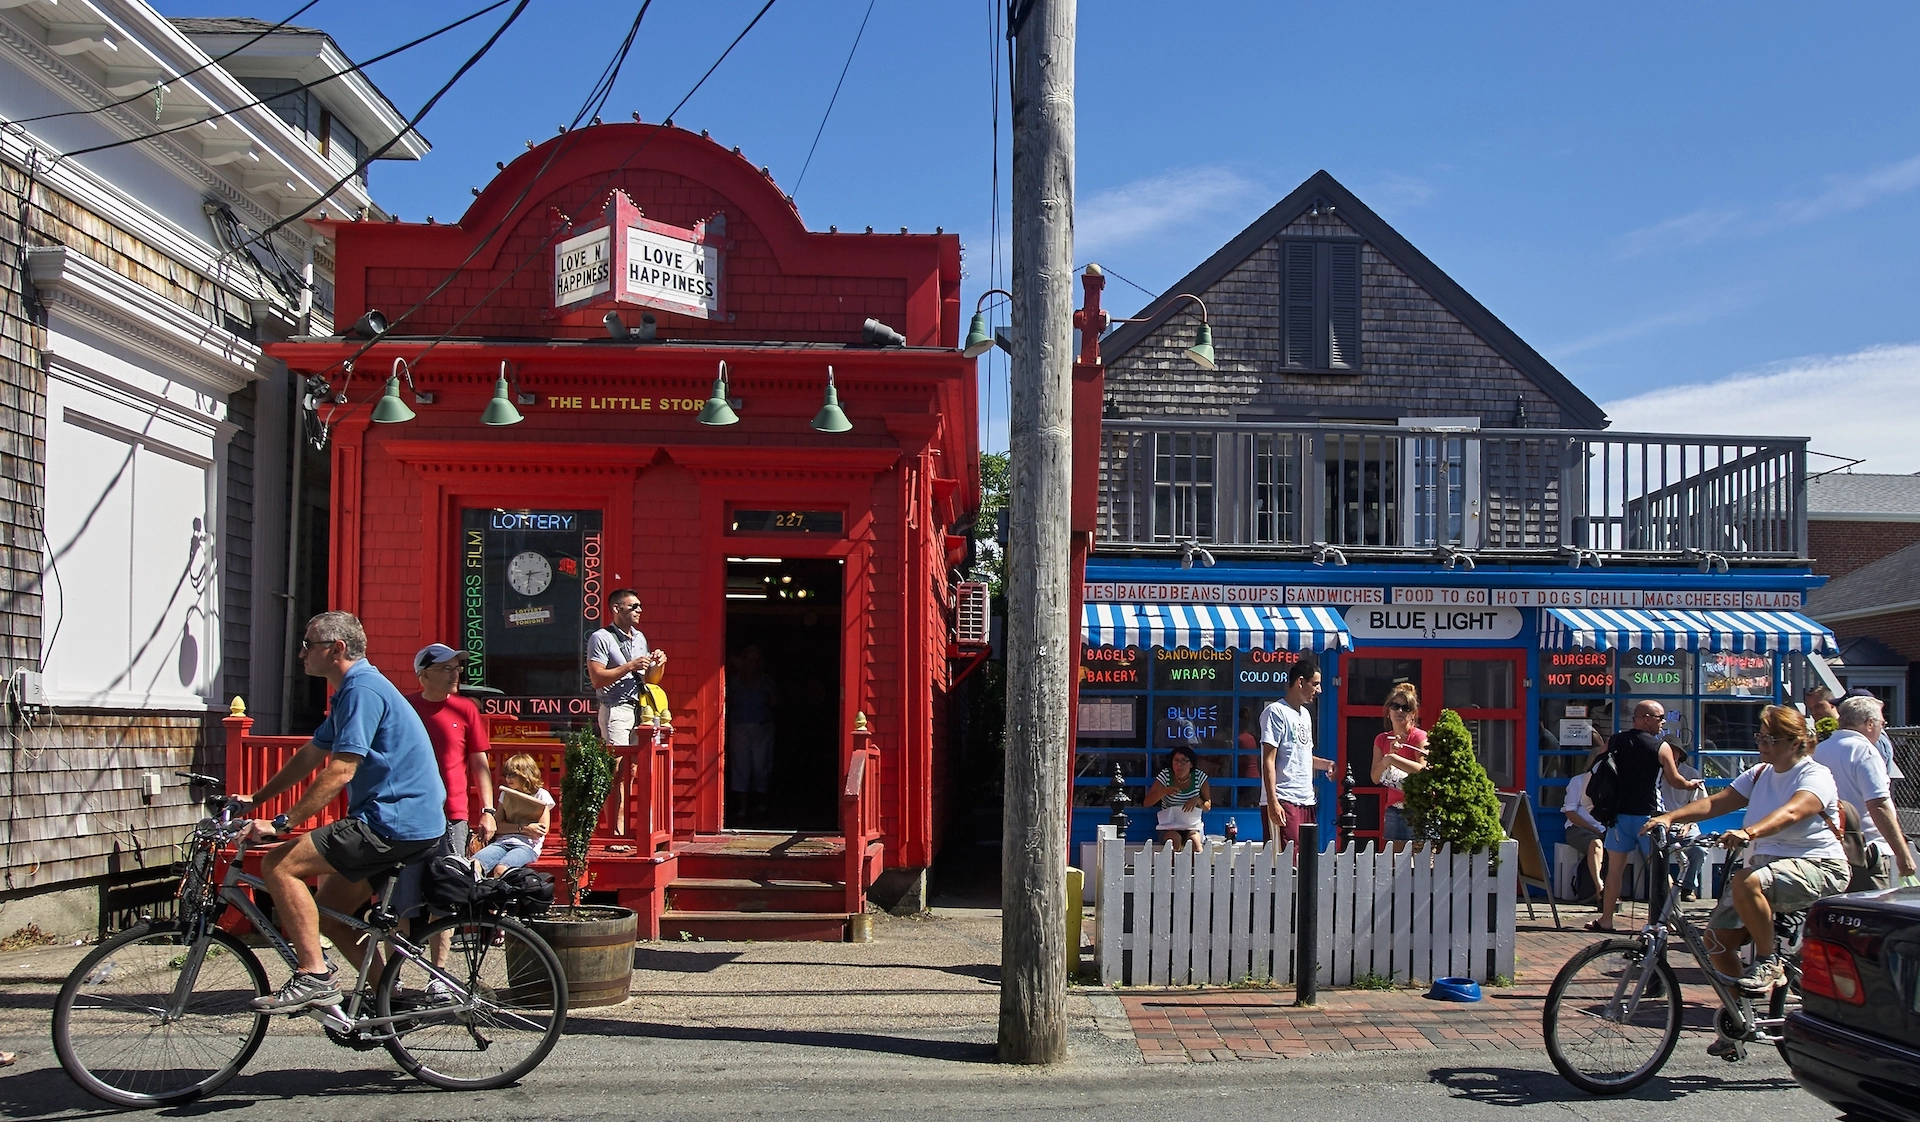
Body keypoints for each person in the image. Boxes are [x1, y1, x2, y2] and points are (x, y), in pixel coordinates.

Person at [237, 612, 447, 1012]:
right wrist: (256, 799)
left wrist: (282, 823)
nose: (301, 654)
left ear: (336, 649)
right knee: (332, 915)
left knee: (279, 865)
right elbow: (311, 755)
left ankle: (314, 975)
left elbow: (341, 770)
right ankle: (389, 1002)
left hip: (391, 821)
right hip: (406, 822)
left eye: (308, 645)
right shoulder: (353, 689)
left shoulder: (362, 690)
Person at [1645, 704, 1849, 1002]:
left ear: (1796, 743)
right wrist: (1670, 817)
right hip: (1763, 870)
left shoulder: (1815, 775)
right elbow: (1717, 802)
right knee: (1716, 941)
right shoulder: (1760, 773)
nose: (1762, 744)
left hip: (1818, 865)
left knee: (1746, 881)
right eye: (1760, 737)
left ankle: (1768, 961)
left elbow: (1793, 811)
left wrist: (1748, 832)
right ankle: (1739, 1013)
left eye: (1771, 739)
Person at [1589, 700, 1703, 932]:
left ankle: (1606, 919)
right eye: (1660, 718)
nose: (1663, 723)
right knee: (1660, 871)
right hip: (1650, 817)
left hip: (1619, 815)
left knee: (1614, 871)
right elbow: (1674, 780)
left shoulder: (1615, 741)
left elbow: (1597, 764)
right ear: (1646, 718)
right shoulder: (1661, 747)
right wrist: (1690, 785)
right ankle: (1671, 919)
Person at [1815, 693, 1917, 890]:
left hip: (1829, 849)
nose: (1881, 729)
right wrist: (1903, 854)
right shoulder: (1865, 752)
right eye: (1882, 724)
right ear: (1869, 723)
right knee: (1871, 908)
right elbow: (1878, 806)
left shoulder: (1819, 751)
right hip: (1866, 852)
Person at [405, 644, 494, 859]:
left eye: (457, 668)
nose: (455, 674)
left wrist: (488, 811)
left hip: (453, 813)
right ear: (424, 675)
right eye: (446, 668)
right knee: (408, 879)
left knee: (450, 876)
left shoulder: (466, 709)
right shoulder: (404, 708)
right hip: (410, 812)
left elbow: (479, 764)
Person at [1259, 654, 1335, 849]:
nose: (1319, 690)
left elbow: (1302, 756)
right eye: (1315, 684)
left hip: (1306, 799)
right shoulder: (1275, 712)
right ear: (1300, 682)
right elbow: (1268, 759)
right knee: (1285, 859)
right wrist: (1273, 802)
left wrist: (1327, 764)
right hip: (1283, 798)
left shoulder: (1305, 715)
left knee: (1305, 859)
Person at [587, 589, 666, 747]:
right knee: (618, 759)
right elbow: (597, 679)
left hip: (641, 708)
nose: (639, 610)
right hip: (616, 708)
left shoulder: (639, 638)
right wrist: (630, 666)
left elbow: (651, 679)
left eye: (640, 606)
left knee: (638, 760)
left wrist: (659, 664)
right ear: (617, 608)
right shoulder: (601, 637)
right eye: (634, 606)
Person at [472, 754, 554, 877]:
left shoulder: (541, 795)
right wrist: (524, 828)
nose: (508, 778)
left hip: (526, 846)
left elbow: (540, 831)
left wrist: (511, 828)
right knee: (473, 865)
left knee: (501, 870)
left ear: (525, 774)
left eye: (512, 774)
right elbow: (497, 826)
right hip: (502, 842)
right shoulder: (505, 794)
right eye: (506, 775)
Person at [1370, 682, 1428, 851]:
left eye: (1405, 708)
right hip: (1395, 808)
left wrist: (1394, 759)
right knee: (1395, 860)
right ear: (1388, 712)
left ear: (1413, 714)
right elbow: (1374, 777)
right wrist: (1388, 757)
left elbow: (1423, 770)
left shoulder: (1419, 737)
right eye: (1395, 706)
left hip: (1419, 808)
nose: (1399, 711)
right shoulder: (1381, 739)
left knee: (1421, 860)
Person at [726, 645, 779, 820]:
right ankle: (742, 808)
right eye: (749, 659)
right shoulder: (734, 681)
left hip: (762, 727)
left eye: (756, 660)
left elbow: (776, 702)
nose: (752, 664)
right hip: (739, 726)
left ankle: (761, 805)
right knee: (740, 766)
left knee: (761, 766)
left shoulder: (766, 680)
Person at [1659, 743, 1710, 901]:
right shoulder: (1654, 773)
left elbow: (1701, 805)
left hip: (1685, 823)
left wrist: (1688, 824)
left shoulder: (1691, 773)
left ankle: (1688, 887)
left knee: (1699, 848)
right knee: (1652, 848)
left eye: (1673, 751)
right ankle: (1664, 888)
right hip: (1660, 823)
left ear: (1679, 754)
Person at [1559, 756, 1606, 905]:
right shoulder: (1578, 781)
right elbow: (1570, 812)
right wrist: (1594, 830)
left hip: (1606, 828)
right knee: (1595, 843)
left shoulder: (1612, 782)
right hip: (1579, 828)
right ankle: (1599, 890)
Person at [1144, 745, 1210, 849]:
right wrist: (1164, 791)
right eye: (1176, 761)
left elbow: (1207, 807)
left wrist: (1198, 800)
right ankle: (1173, 861)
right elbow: (1147, 803)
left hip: (1192, 826)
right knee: (1175, 840)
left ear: (1191, 764)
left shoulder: (1199, 777)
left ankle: (1198, 860)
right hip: (1169, 826)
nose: (1179, 764)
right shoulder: (1165, 775)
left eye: (1184, 761)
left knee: (1195, 842)